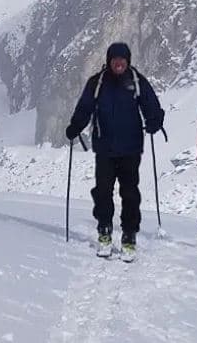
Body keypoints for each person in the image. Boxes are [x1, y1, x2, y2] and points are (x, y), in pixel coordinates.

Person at [65, 42, 165, 259]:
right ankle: (104, 230)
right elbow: (84, 108)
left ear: (127, 61)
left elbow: (151, 104)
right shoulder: (97, 83)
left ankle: (129, 235)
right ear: (109, 61)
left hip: (130, 148)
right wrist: (75, 126)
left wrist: (155, 120)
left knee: (129, 193)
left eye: (122, 59)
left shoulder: (136, 81)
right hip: (105, 147)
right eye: (115, 59)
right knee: (103, 192)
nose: (118, 63)